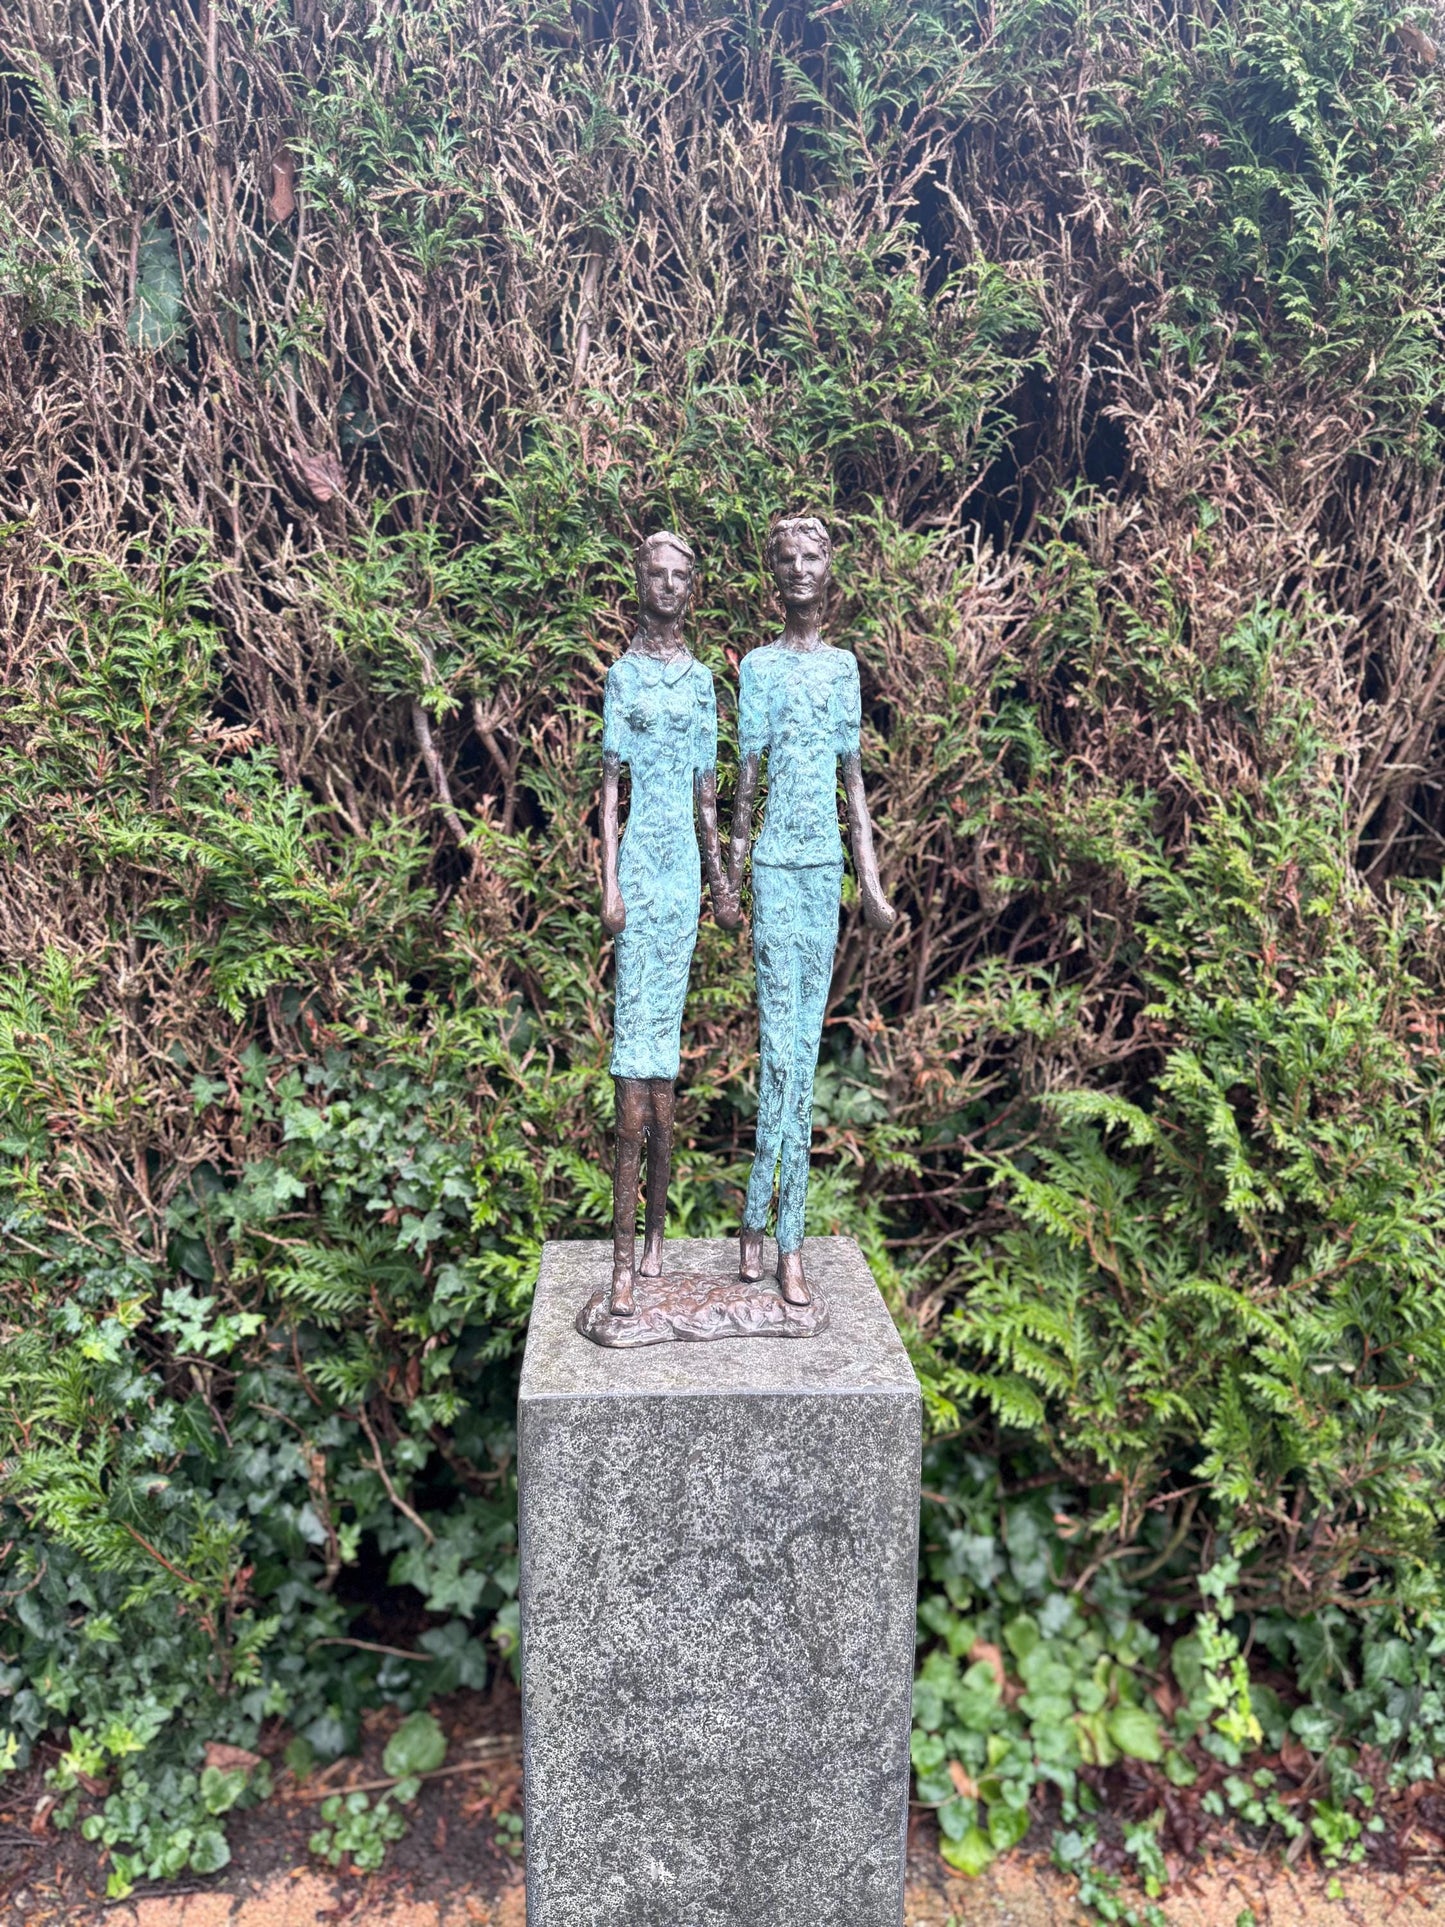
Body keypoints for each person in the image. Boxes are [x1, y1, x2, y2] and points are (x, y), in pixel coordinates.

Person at [726, 516, 896, 1307]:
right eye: (786, 559)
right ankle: (768, 1231)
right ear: (774, 572)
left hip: (823, 872)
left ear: (828, 569)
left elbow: (853, 785)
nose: (798, 569)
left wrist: (870, 881)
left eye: (810, 557)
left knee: (804, 1049)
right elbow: (744, 786)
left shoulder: (841, 669)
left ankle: (772, 1229)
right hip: (771, 869)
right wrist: (729, 881)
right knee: (779, 1053)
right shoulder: (758, 668)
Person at [599, 532, 736, 1317]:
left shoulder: (702, 682)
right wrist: (608, 884)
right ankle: (621, 1258)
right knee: (631, 1074)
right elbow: (608, 790)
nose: (668, 586)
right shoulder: (620, 677)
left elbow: (706, 797)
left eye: (681, 576)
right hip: (637, 878)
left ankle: (655, 1236)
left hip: (681, 877)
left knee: (665, 1074)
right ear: (639, 580)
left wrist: (720, 885)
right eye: (656, 574)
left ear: (692, 586)